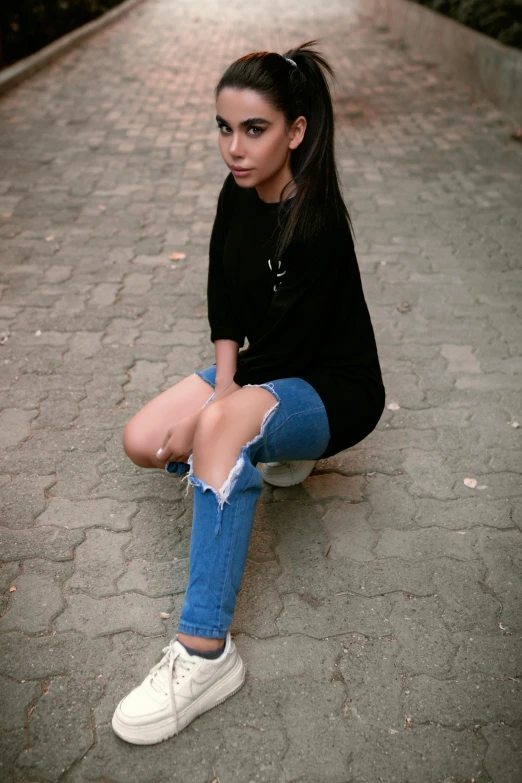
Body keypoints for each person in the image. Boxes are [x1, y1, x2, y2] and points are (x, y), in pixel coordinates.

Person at [111, 41, 385, 745]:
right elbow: (223, 300)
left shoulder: (316, 220)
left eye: (254, 130)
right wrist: (222, 385)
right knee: (143, 440)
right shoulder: (236, 194)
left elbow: (294, 354)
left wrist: (214, 418)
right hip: (263, 370)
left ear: (295, 131)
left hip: (331, 388)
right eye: (223, 128)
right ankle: (249, 449)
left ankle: (205, 653)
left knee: (220, 431)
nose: (234, 148)